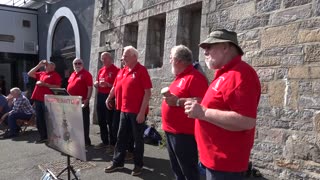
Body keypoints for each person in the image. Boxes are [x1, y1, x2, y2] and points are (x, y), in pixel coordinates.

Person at [184, 29, 261, 180]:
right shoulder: (225, 73)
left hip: (225, 165)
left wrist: (203, 112)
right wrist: (201, 106)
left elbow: (246, 121)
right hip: (213, 160)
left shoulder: (241, 74)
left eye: (209, 47)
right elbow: (220, 106)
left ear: (226, 47)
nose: (205, 52)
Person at [161, 45, 208, 180]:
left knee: (188, 172)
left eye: (171, 58)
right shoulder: (180, 77)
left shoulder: (195, 77)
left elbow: (202, 101)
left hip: (184, 134)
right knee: (177, 170)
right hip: (172, 132)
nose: (169, 60)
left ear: (179, 60)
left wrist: (177, 102)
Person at [104, 46, 152, 176]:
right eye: (123, 56)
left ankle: (138, 165)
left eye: (125, 56)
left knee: (137, 139)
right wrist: (109, 98)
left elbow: (147, 93)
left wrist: (142, 112)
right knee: (121, 137)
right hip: (123, 110)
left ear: (134, 57)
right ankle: (117, 162)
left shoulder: (141, 70)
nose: (122, 58)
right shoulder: (122, 71)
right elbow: (115, 86)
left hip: (137, 111)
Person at [28, 60, 62, 143]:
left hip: (47, 100)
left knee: (49, 119)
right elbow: (29, 73)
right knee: (39, 119)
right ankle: (43, 137)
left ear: (54, 67)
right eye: (46, 65)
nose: (47, 67)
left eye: (50, 65)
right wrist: (39, 65)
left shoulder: (55, 75)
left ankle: (52, 136)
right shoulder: (42, 73)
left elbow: (58, 86)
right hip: (38, 99)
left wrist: (45, 84)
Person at [93, 52, 119, 151]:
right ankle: (104, 141)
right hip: (100, 95)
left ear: (110, 58)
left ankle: (112, 144)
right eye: (101, 59)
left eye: (104, 58)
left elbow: (117, 85)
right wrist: (96, 84)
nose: (103, 60)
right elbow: (97, 82)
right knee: (101, 120)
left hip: (110, 96)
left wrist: (108, 85)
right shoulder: (101, 70)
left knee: (110, 121)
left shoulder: (116, 70)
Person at [67, 58, 93, 147]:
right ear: (73, 65)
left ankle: (86, 142)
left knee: (84, 122)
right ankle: (77, 140)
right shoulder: (73, 74)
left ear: (82, 64)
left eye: (79, 63)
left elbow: (90, 87)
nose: (77, 65)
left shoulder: (86, 74)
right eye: (75, 63)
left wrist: (87, 99)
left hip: (82, 101)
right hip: (72, 102)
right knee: (74, 122)